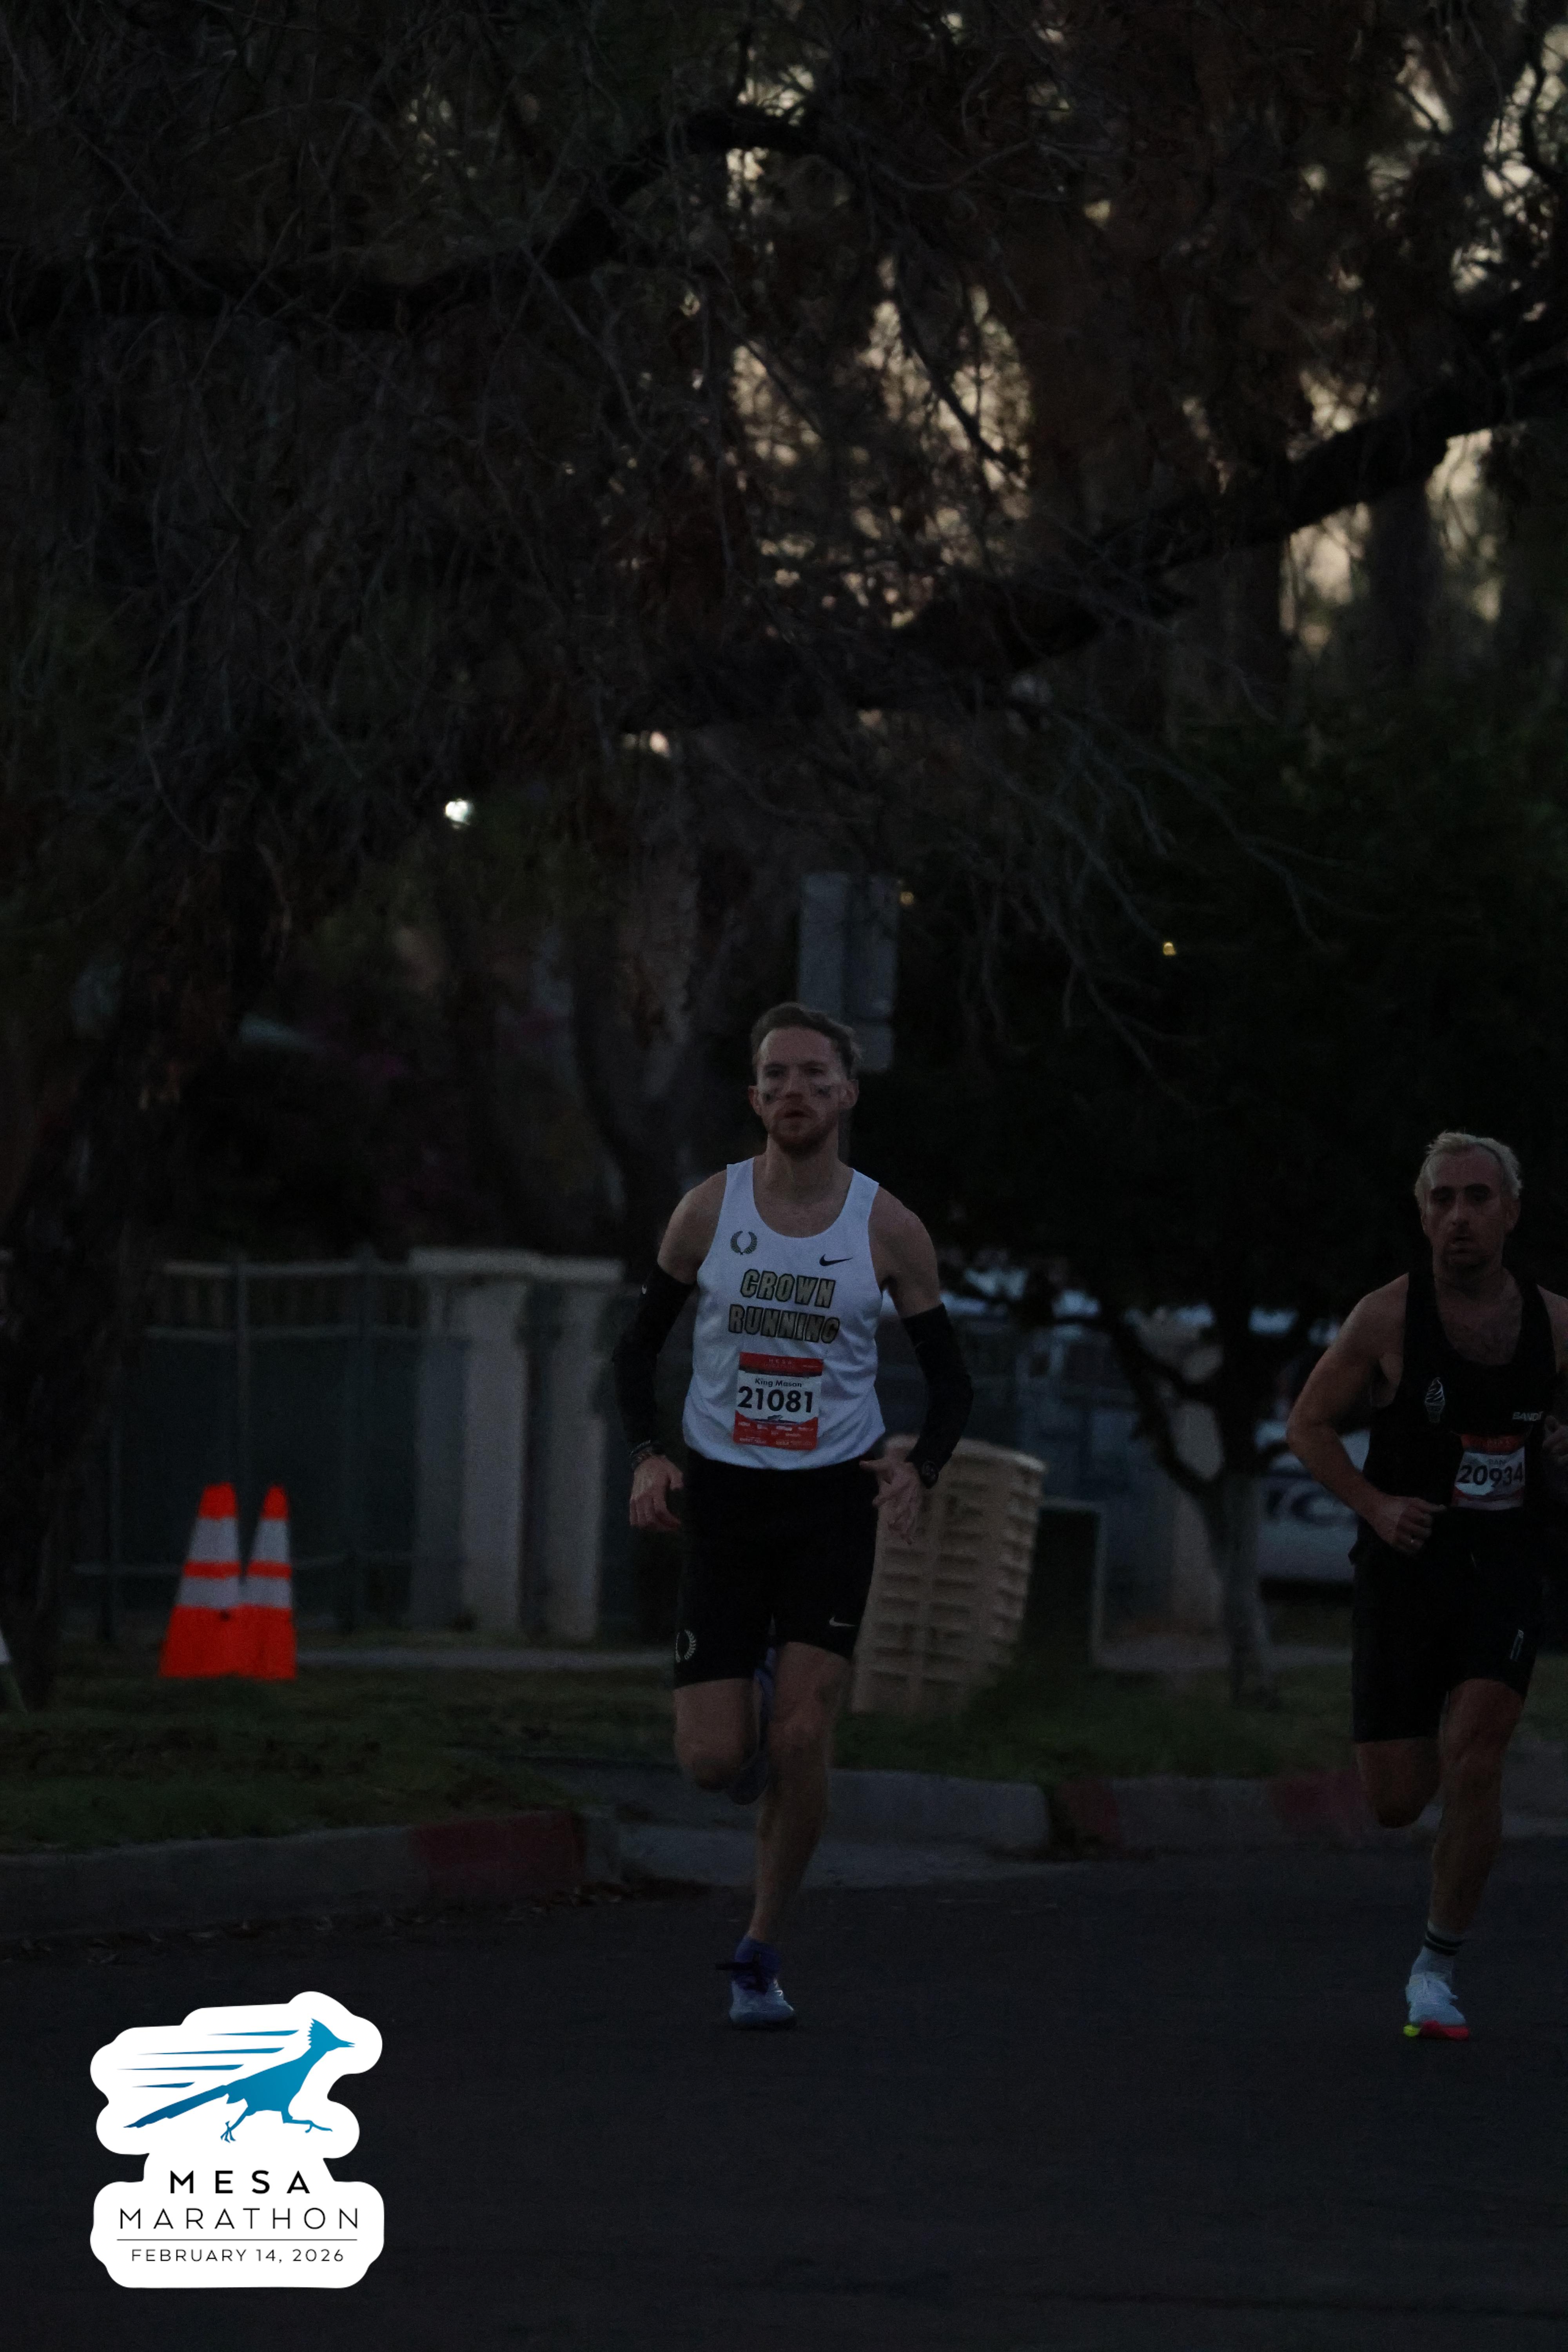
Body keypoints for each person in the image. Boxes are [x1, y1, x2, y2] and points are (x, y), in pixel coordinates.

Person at [612, 1003, 973, 2028]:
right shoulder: (707, 1210)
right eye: (776, 1076)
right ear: (754, 1095)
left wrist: (919, 1470)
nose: (794, 1091)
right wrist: (647, 1457)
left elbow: (951, 1381)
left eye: (815, 1075)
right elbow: (637, 1349)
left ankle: (759, 1949)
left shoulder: (887, 1228)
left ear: (847, 1094)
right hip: (725, 1499)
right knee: (712, 1761)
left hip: (829, 1500)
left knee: (804, 1733)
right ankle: (760, 1699)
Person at [1286, 1131, 1568, 2040]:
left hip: (1505, 1566)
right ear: (1421, 1214)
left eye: (1477, 1198)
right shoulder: (1384, 1318)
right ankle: (1434, 1815)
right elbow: (1307, 1426)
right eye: (1441, 1199)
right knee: (1396, 1798)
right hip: (1404, 1568)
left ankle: (1435, 1971)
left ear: (1509, 1212)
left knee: (1476, 1752)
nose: (1458, 1216)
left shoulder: (1554, 1323)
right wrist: (1372, 1505)